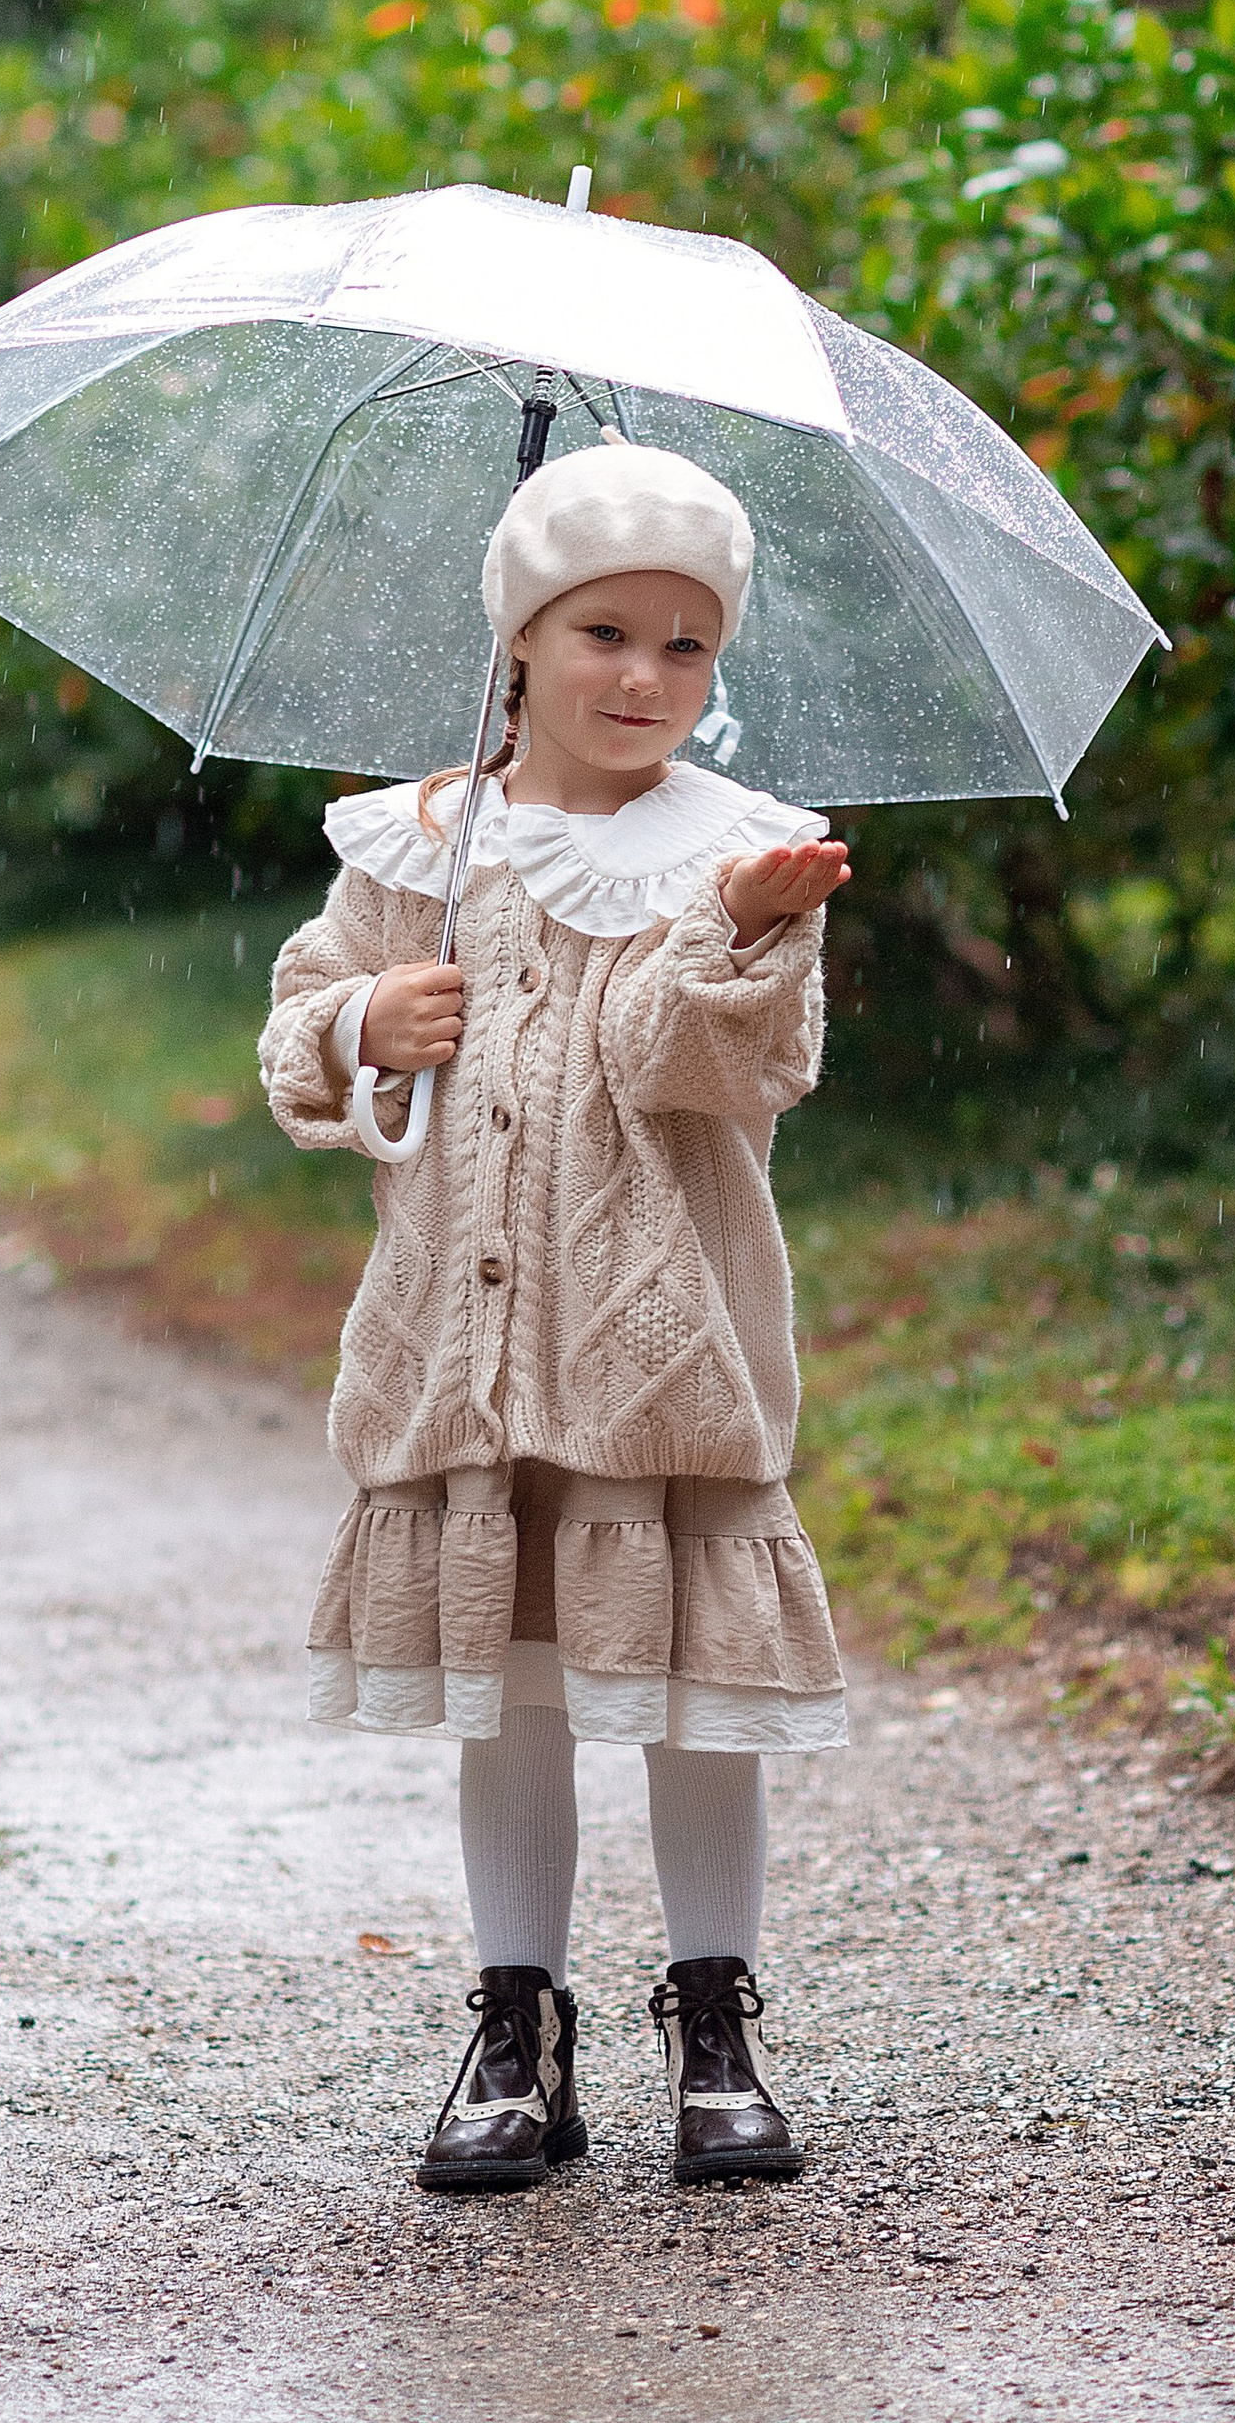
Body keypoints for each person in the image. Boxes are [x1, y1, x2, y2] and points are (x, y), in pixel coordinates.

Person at [257, 434, 852, 2195]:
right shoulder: (419, 842)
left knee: (688, 1690)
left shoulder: (737, 854)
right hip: (461, 1344)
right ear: (519, 639)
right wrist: (373, 1018)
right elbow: (298, 1023)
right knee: (503, 1689)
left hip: (660, 1355)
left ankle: (716, 2018)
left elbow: (700, 1079)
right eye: (604, 634)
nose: (647, 678)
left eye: (688, 646)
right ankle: (516, 2031)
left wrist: (732, 941)